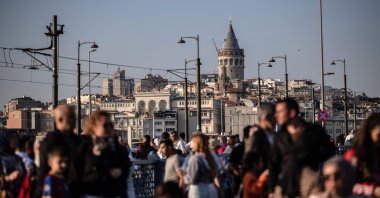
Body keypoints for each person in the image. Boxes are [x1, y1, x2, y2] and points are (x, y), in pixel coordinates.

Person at [269, 98, 335, 198]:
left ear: (292, 113)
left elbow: (330, 150)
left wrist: (314, 156)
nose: (276, 115)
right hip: (286, 185)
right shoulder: (279, 136)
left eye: (280, 112)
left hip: (310, 182)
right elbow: (273, 164)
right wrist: (271, 189)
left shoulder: (313, 131)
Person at [78, 110, 131, 197]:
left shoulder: (117, 145)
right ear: (94, 127)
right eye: (105, 126)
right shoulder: (85, 145)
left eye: (111, 125)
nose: (109, 128)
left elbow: (125, 165)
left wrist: (121, 172)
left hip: (114, 193)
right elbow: (77, 173)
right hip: (92, 193)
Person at [37, 105, 81, 197]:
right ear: (60, 119)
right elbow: (43, 170)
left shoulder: (78, 140)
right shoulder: (50, 142)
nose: (75, 119)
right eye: (71, 116)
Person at [344, 113, 380, 197]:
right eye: (379, 135)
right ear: (369, 133)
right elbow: (345, 184)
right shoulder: (353, 156)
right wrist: (373, 191)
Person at [185, 133, 218, 198]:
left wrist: (184, 177)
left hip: (197, 190)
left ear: (197, 144)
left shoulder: (195, 159)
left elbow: (192, 179)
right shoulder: (209, 157)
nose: (191, 144)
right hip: (208, 188)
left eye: (193, 142)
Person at [0, 130, 26, 197]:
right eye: (12, 138)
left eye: (15, 137)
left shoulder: (18, 158)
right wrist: (8, 178)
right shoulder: (1, 159)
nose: (16, 140)